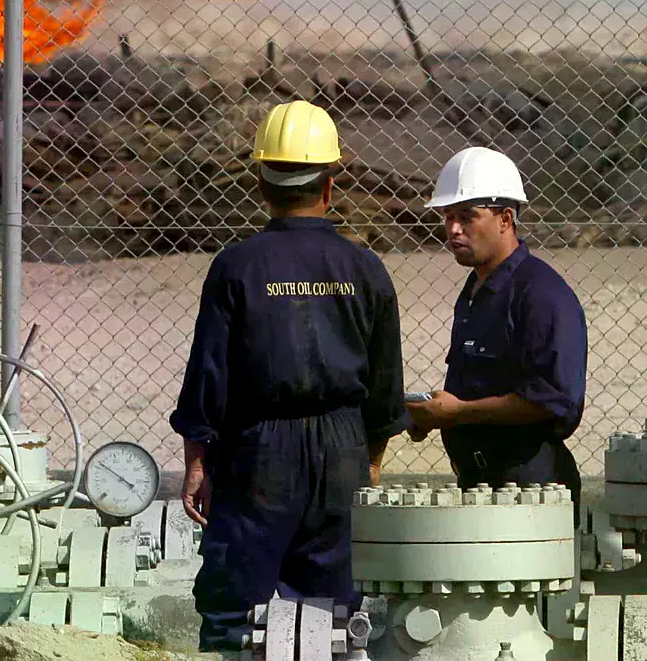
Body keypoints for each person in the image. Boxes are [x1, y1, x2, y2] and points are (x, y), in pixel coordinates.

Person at [169, 100, 409, 652]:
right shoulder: (364, 268)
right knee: (332, 609)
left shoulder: (237, 266)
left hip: (259, 451)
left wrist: (197, 461)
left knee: (237, 601)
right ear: (331, 183)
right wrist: (368, 462)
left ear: (262, 183)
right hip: (343, 444)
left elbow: (209, 371)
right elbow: (385, 379)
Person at [406, 146, 587, 521]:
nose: (454, 229)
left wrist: (457, 413)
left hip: (531, 492)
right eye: (448, 217)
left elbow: (553, 400)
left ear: (506, 219)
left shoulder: (540, 295)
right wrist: (430, 414)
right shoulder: (476, 291)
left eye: (468, 217)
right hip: (482, 483)